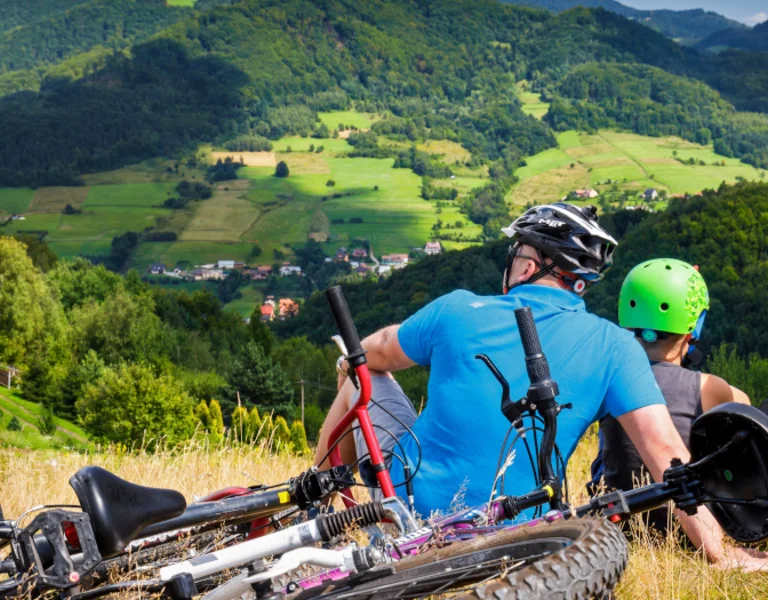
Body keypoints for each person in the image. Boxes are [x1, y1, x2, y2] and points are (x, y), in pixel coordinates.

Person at [315, 203, 766, 570]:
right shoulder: (614, 346)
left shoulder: (457, 308)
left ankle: (317, 503)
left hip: (407, 515)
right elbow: (669, 456)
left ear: (529, 264)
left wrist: (345, 365)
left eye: (515, 255)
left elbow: (370, 354)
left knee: (361, 375)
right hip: (514, 537)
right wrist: (721, 553)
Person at [590, 258, 751, 532]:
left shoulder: (606, 378)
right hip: (690, 528)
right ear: (694, 326)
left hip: (619, 525)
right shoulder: (709, 387)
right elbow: (744, 405)